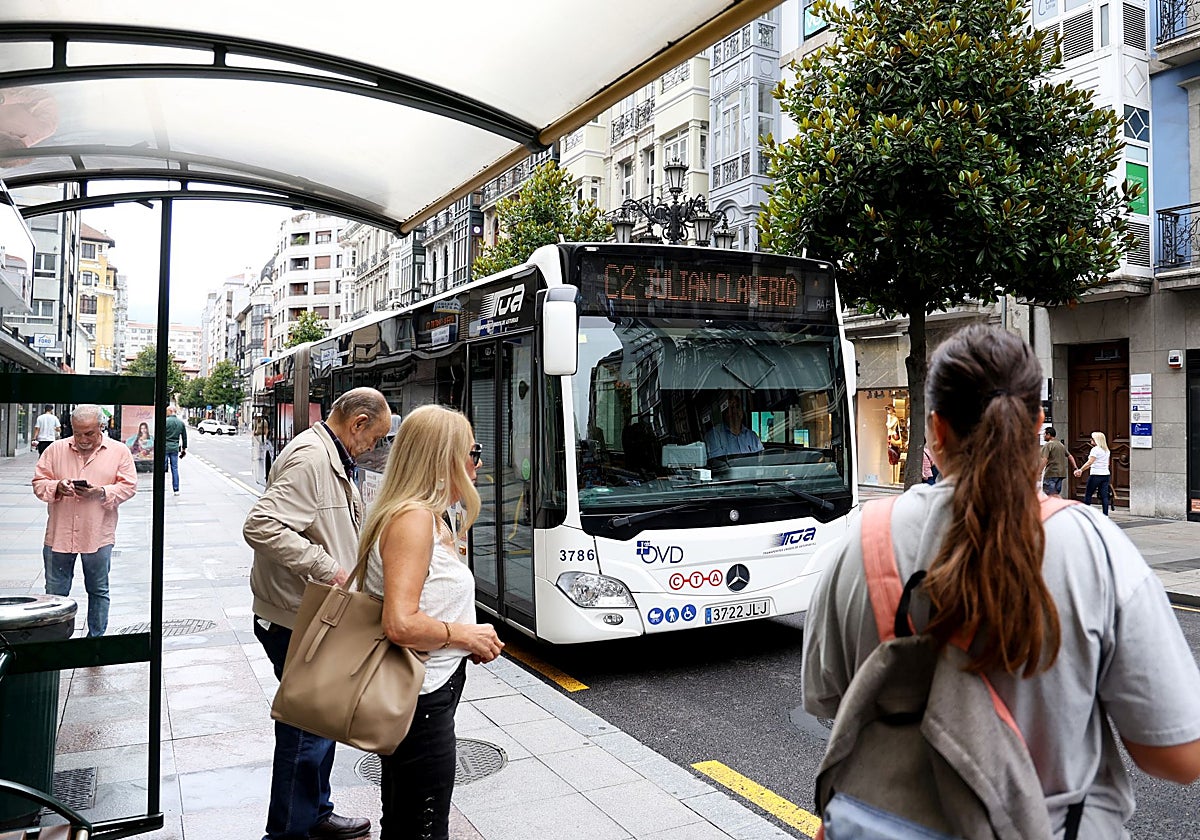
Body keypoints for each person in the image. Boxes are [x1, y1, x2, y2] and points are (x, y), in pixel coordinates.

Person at [803, 325, 1200, 836]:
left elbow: (829, 700)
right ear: (1036, 423)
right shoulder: (1094, 550)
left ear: (936, 430)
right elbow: (1176, 756)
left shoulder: (863, 541)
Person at [243, 387, 393, 840]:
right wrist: (328, 567)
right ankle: (289, 831)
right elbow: (261, 526)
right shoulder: (311, 459)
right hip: (297, 619)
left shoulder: (329, 455)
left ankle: (316, 813)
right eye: (375, 438)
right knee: (306, 732)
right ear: (359, 423)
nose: (374, 448)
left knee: (320, 722)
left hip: (311, 614)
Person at [357, 404, 503, 840]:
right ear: (443, 457)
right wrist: (464, 634)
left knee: (404, 816)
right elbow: (399, 623)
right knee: (423, 824)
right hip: (419, 700)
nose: (479, 462)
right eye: (472, 451)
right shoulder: (413, 520)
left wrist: (462, 643)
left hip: (429, 688)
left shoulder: (428, 516)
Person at [31, 404, 137, 637]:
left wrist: (101, 492)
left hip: (97, 534)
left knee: (98, 590)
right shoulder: (56, 450)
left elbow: (129, 486)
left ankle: (95, 640)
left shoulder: (119, 451)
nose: (83, 439)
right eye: (78, 433)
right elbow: (39, 483)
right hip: (59, 535)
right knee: (55, 594)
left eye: (89, 433)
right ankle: (55, 639)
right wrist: (57, 486)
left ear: (101, 426)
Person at [704, 393, 763, 459]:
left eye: (737, 406)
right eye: (731, 407)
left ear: (742, 411)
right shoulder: (714, 436)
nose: (734, 411)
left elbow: (761, 461)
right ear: (724, 412)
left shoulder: (753, 437)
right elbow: (718, 464)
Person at [1074, 430, 1112, 515]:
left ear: (1096, 440)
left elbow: (1090, 462)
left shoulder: (1095, 450)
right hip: (1105, 474)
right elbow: (1108, 463)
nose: (1090, 440)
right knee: (1104, 496)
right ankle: (1105, 515)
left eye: (1092, 438)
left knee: (1088, 494)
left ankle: (1086, 514)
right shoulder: (1107, 450)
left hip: (1095, 475)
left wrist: (1080, 470)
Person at [1040, 426, 1077, 498]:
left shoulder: (1048, 445)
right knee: (1056, 494)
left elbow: (1044, 459)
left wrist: (1039, 471)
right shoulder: (1061, 445)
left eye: (1044, 434)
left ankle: (1052, 508)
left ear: (1048, 435)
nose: (1043, 436)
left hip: (1051, 473)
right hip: (1061, 474)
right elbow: (1070, 456)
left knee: (1049, 495)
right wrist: (1075, 467)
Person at [163, 406, 187, 496]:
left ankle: (160, 487)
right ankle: (176, 489)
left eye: (167, 411)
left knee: (162, 468)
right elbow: (184, 437)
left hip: (165, 447)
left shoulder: (165, 422)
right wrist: (184, 449)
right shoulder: (180, 423)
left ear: (170, 411)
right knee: (175, 468)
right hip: (174, 448)